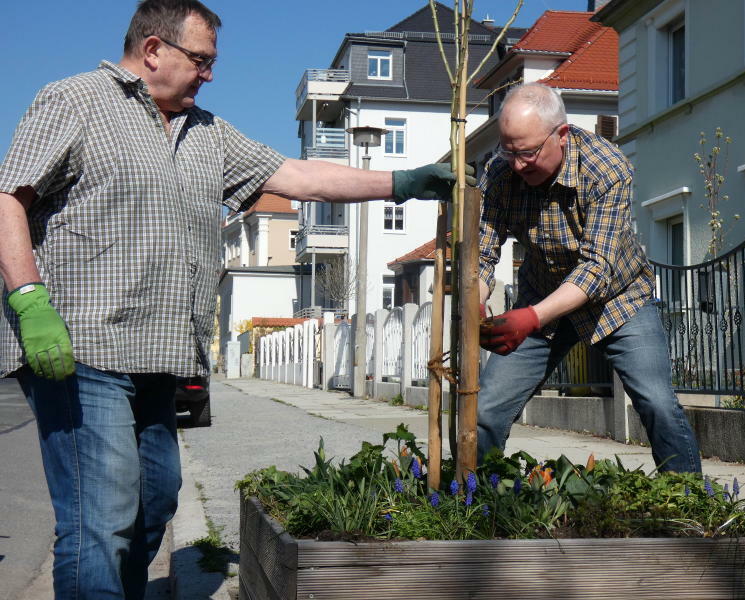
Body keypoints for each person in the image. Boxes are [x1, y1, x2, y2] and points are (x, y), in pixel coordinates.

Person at [0, 1, 468, 598]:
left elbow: (296, 176)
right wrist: (29, 298)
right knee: (100, 515)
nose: (210, 74)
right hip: (81, 343)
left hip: (160, 353)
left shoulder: (208, 133)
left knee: (157, 495)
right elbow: (8, 196)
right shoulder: (75, 100)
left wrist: (401, 183)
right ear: (152, 50)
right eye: (201, 60)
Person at [476, 82, 701, 475]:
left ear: (561, 135)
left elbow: (595, 268)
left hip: (619, 301)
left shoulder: (607, 169)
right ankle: (472, 505)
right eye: (508, 151)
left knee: (657, 403)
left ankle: (690, 507)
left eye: (527, 153)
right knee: (486, 409)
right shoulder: (500, 173)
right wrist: (474, 300)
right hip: (541, 294)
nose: (516, 164)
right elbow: (483, 253)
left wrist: (529, 318)